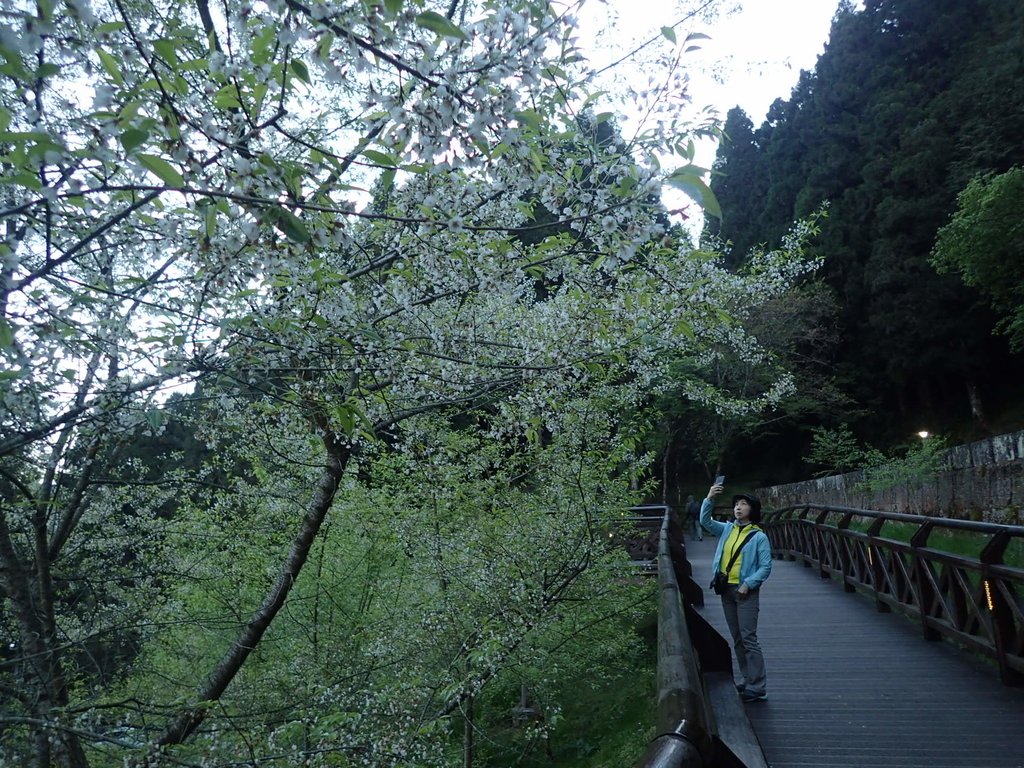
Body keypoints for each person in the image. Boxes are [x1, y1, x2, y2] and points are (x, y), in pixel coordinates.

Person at [700, 482, 772, 702]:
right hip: (726, 590)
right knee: (738, 638)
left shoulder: (759, 536)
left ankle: (758, 686)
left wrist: (748, 583)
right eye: (736, 505)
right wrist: (709, 498)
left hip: (745, 592)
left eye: (743, 504)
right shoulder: (728, 529)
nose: (738, 508)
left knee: (749, 638)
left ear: (753, 509)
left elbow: (765, 566)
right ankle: (748, 679)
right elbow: (704, 522)